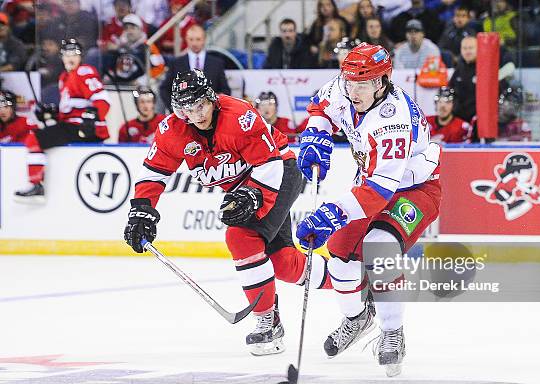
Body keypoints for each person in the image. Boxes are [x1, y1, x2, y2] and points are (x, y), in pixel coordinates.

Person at [123, 69, 332, 356]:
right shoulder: (173, 130)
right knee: (283, 263)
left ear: (211, 98)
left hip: (279, 173)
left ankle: (266, 323)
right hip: (248, 184)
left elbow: (269, 162)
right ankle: (354, 281)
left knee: (240, 237)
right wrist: (142, 210)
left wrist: (253, 194)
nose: (196, 116)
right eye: (187, 109)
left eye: (200, 106)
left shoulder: (239, 117)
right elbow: (154, 173)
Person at [295, 43, 442, 376]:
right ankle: (357, 318)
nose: (354, 89)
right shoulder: (345, 87)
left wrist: (330, 213)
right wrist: (317, 134)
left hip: (415, 190)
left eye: (363, 83)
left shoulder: (393, 120)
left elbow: (379, 191)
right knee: (339, 250)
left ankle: (392, 331)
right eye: (350, 81)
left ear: (382, 82)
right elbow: (319, 104)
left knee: (379, 246)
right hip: (370, 185)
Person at [14, 39, 111, 203]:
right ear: (62, 57)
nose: (71, 57)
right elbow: (70, 111)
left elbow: (103, 100)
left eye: (75, 53)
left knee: (34, 138)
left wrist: (92, 116)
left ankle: (37, 185)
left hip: (85, 128)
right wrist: (51, 114)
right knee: (37, 135)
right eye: (67, 54)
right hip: (73, 126)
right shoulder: (64, 77)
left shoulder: (83, 71)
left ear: (81, 57)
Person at [161, 25, 230, 110]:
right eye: (191, 39)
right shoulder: (176, 63)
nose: (194, 43)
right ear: (186, 39)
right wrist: (174, 109)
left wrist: (215, 106)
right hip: (184, 115)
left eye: (198, 39)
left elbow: (225, 90)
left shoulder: (217, 63)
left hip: (211, 113)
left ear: (204, 40)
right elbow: (164, 89)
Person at [0, 91, 42, 191]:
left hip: (22, 171)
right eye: (0, 107)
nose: (2, 111)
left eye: (6, 107)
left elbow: (40, 139)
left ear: (13, 108)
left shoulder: (25, 123)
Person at [449, 36, 477, 123]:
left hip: (478, 120)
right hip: (458, 119)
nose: (467, 51)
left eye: (471, 48)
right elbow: (450, 90)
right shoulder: (459, 69)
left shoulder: (485, 68)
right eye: (464, 48)